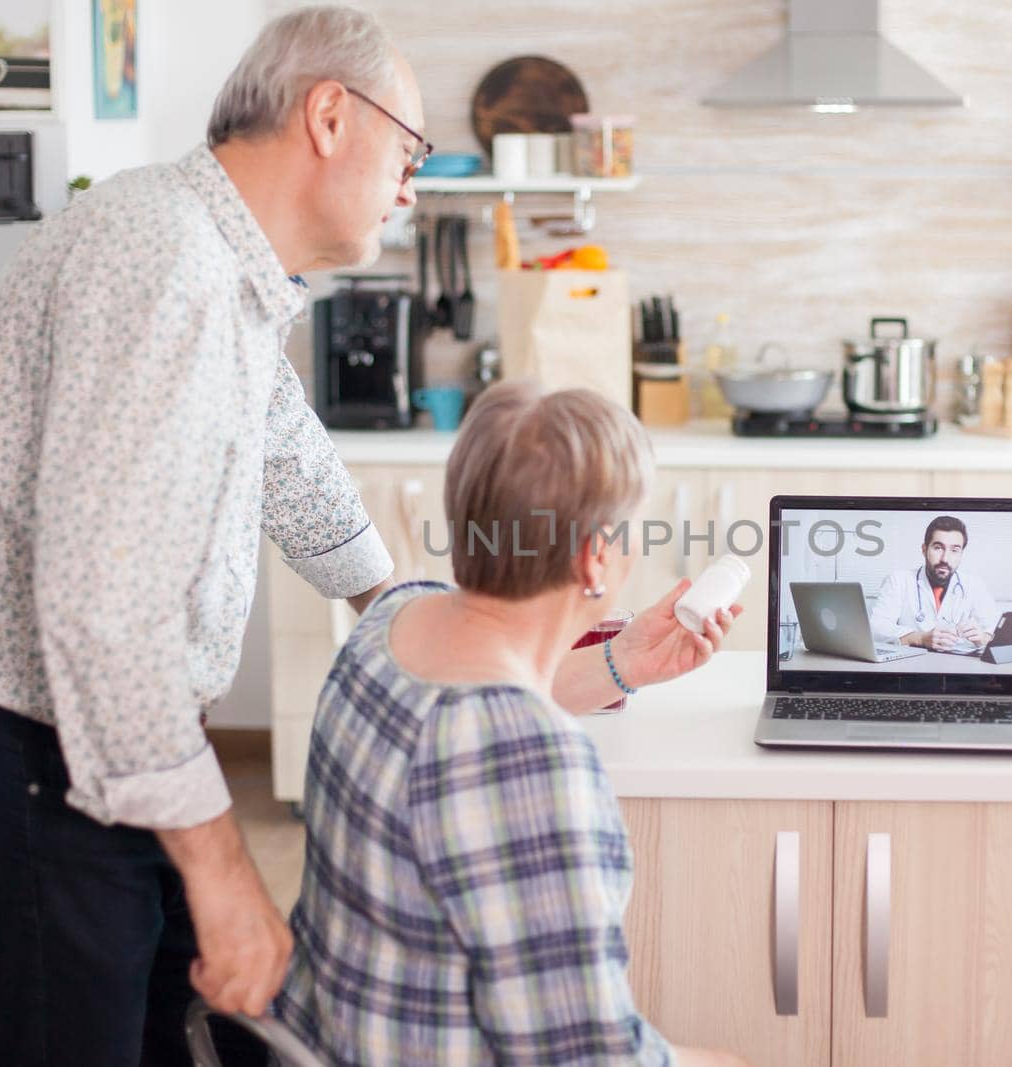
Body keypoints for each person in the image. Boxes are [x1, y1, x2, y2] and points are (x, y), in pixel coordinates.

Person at [275, 381, 748, 1067]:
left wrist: (621, 661)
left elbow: (485, 695)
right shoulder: (534, 766)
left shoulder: (393, 618)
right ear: (593, 557)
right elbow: (587, 1057)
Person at [868, 515, 999, 652]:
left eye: (954, 550)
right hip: (911, 666)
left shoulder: (975, 585)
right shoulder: (898, 580)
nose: (945, 559)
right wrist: (920, 638)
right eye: (938, 548)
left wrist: (984, 638)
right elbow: (876, 627)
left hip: (959, 666)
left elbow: (997, 630)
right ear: (924, 549)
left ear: (961, 554)